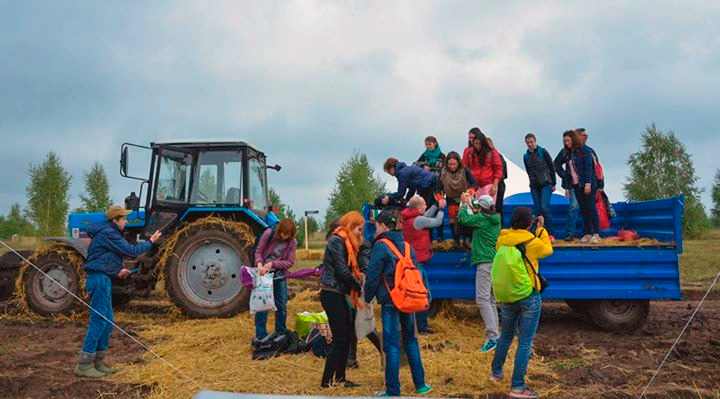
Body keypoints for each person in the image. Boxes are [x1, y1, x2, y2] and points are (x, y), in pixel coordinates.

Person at [75, 206, 161, 378]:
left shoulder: (108, 233)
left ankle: (99, 362)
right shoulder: (109, 233)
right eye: (123, 219)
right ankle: (84, 365)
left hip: (104, 278)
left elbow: (104, 258)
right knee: (99, 320)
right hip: (98, 280)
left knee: (108, 321)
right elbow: (132, 251)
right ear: (115, 220)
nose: (126, 221)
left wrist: (117, 271)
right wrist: (150, 241)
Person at [364, 211, 432, 397]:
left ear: (385, 226)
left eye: (377, 225)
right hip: (409, 300)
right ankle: (421, 385)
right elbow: (418, 274)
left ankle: (393, 390)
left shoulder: (381, 246)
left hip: (390, 301)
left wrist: (367, 298)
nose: (375, 229)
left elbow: (373, 275)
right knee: (411, 341)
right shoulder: (408, 246)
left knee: (391, 345)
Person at [490, 207, 553, 399]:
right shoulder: (531, 241)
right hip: (528, 296)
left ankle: (495, 373)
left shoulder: (502, 240)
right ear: (529, 223)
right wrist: (541, 229)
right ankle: (517, 387)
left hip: (508, 296)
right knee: (525, 342)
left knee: (506, 336)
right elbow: (548, 250)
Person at [323, 219, 384, 370]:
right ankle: (351, 358)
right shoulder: (340, 242)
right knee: (351, 323)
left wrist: (359, 282)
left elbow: (363, 263)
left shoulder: (361, 244)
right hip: (348, 287)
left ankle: (384, 352)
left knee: (365, 323)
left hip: (357, 287)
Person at [319, 211, 365, 388]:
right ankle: (326, 381)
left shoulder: (345, 242)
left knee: (345, 337)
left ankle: (340, 378)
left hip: (338, 292)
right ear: (351, 226)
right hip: (331, 293)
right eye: (359, 229)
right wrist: (357, 286)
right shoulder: (336, 241)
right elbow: (342, 271)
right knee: (340, 338)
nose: (360, 233)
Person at [457, 193, 501, 352]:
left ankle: (492, 336)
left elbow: (464, 219)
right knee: (490, 300)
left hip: (484, 262)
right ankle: (496, 334)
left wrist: (463, 204)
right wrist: (471, 201)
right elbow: (478, 209)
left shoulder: (481, 219)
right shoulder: (495, 218)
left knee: (482, 299)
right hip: (494, 261)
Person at [400, 195, 446, 335]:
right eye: (424, 205)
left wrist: (435, 205)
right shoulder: (418, 220)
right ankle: (421, 327)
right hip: (417, 262)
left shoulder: (410, 218)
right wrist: (442, 209)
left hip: (412, 262)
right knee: (424, 295)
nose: (426, 207)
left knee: (418, 294)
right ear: (418, 207)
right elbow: (437, 222)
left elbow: (426, 216)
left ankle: (418, 326)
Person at [253, 218, 298, 340]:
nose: (285, 237)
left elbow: (289, 262)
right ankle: (261, 334)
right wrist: (260, 265)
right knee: (263, 305)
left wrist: (272, 264)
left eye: (288, 235)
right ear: (279, 231)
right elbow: (258, 252)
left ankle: (281, 331)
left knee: (281, 304)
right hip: (264, 275)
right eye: (284, 233)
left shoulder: (292, 242)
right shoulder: (269, 233)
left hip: (279, 275)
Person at [522, 133, 557, 241]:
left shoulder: (542, 151)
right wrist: (531, 181)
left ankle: (551, 233)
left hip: (546, 183)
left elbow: (551, 166)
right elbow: (528, 171)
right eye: (528, 143)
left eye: (532, 142)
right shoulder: (526, 156)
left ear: (535, 141)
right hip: (534, 185)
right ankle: (539, 233)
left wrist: (553, 183)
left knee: (544, 207)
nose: (530, 145)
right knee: (538, 210)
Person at [569, 131, 600, 243]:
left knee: (591, 208)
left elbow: (588, 167)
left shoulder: (585, 150)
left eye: (569, 140)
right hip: (578, 185)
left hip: (589, 183)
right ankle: (587, 234)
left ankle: (596, 233)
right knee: (584, 210)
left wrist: (588, 183)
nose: (567, 142)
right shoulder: (572, 152)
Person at [440, 151, 476, 246]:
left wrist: (470, 192)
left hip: (465, 197)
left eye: (454, 164)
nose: (452, 166)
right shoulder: (443, 172)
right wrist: (440, 198)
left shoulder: (464, 170)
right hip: (451, 198)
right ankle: (456, 240)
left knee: (466, 218)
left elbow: (474, 184)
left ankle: (467, 238)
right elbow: (438, 188)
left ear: (458, 162)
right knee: (453, 218)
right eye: (450, 164)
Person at [554, 130, 581, 241]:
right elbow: (556, 163)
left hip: (585, 184)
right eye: (564, 141)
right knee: (573, 206)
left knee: (588, 208)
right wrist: (564, 175)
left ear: (573, 139)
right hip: (572, 184)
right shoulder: (564, 152)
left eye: (568, 140)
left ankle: (590, 233)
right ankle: (569, 233)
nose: (566, 143)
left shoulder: (581, 151)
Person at [465, 131, 504, 203]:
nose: (478, 146)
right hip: (475, 186)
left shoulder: (491, 152)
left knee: (488, 208)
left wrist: (495, 185)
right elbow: (464, 167)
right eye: (476, 143)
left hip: (489, 185)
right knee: (475, 209)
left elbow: (498, 168)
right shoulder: (469, 152)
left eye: (480, 144)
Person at [487, 137, 508, 224]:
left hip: (497, 184)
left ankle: (498, 228)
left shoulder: (497, 156)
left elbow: (503, 173)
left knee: (497, 208)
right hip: (493, 184)